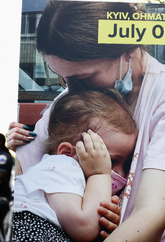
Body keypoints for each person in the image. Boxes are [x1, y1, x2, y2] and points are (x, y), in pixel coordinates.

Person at [6, 0, 165, 241]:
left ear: (128, 49)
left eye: (84, 77)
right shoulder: (68, 99)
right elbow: (24, 176)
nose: (70, 90)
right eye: (61, 78)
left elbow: (150, 214)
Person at [12, 90, 137, 241]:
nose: (121, 175)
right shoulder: (61, 166)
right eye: (110, 160)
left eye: (127, 164)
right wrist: (100, 174)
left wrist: (105, 223)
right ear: (67, 152)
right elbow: (84, 228)